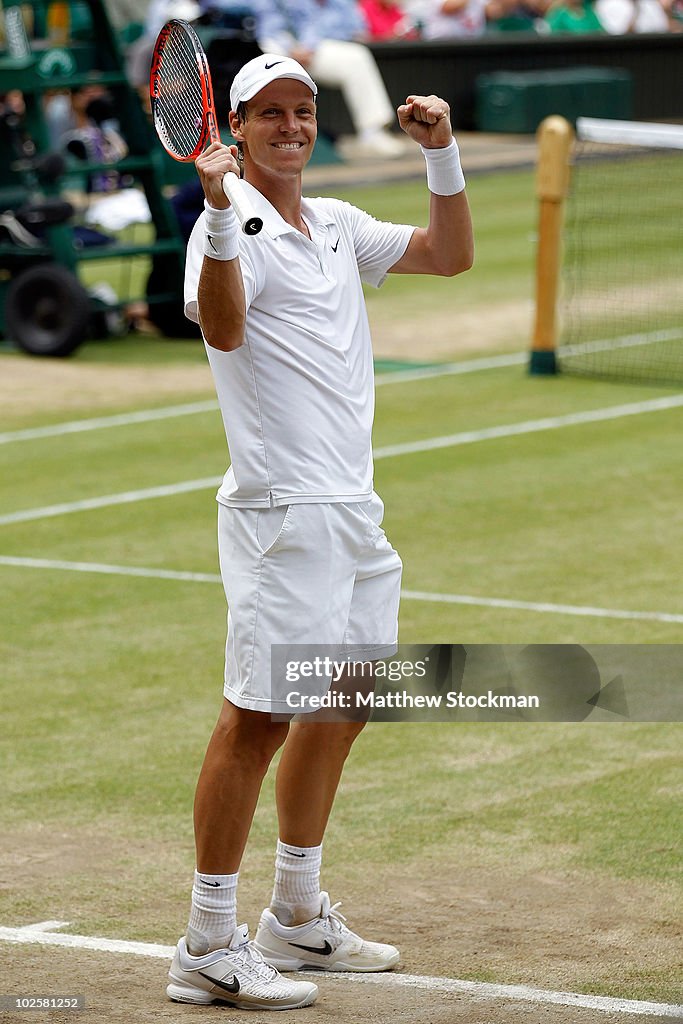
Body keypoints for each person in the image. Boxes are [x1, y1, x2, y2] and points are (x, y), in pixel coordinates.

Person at [166, 53, 473, 1010]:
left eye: (304, 113)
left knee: (343, 705)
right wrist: (217, 215)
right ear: (239, 126)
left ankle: (294, 918)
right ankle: (206, 942)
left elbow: (447, 254)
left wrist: (444, 154)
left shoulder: (336, 224)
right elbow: (221, 329)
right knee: (256, 719)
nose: (292, 128)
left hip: (352, 512)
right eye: (271, 116)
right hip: (279, 516)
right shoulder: (226, 226)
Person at [250, 0, 406, 157]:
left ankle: (373, 133)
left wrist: (308, 45)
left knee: (358, 56)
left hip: (313, 48)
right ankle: (267, 135)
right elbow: (267, 26)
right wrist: (290, 48)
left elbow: (354, 27)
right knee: (267, 51)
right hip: (276, 47)